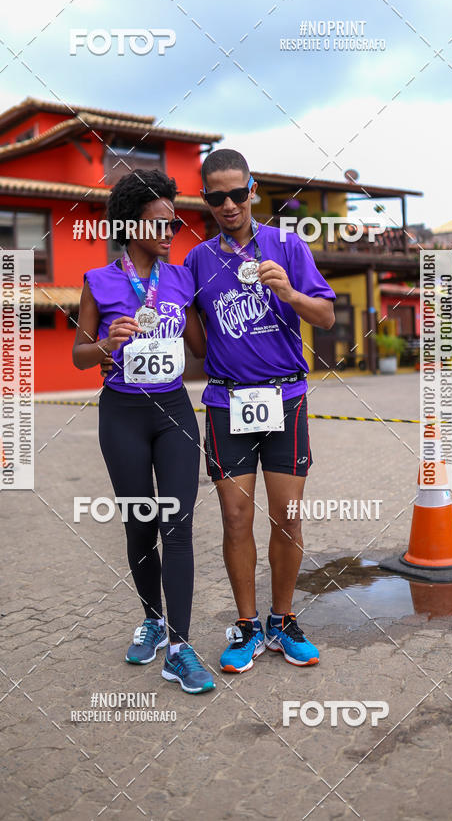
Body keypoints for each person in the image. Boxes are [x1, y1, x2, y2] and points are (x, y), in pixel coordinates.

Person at [183, 149, 336, 672]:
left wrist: (289, 292)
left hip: (285, 397)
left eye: (236, 193)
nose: (228, 205)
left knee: (288, 517)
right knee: (234, 517)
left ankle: (283, 620)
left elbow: (327, 316)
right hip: (226, 401)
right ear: (205, 199)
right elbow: (193, 338)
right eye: (216, 196)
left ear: (252, 190)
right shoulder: (198, 260)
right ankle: (247, 626)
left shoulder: (288, 245)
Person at [73, 169, 214, 694]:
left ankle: (179, 647)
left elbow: (199, 348)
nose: (169, 232)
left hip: (174, 411)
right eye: (159, 223)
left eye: (173, 224)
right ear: (130, 226)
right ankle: (153, 619)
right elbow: (79, 354)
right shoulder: (98, 281)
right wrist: (108, 343)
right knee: (140, 525)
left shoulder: (180, 279)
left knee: (178, 527)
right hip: (123, 415)